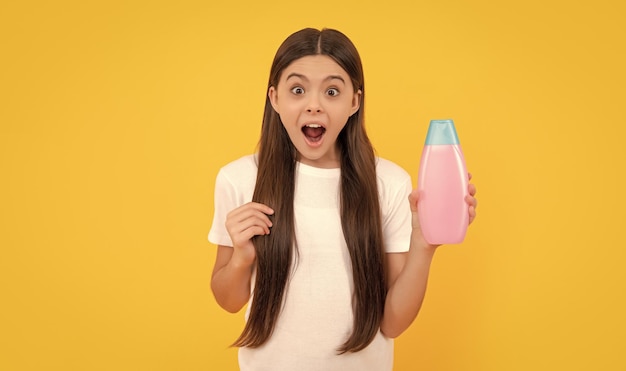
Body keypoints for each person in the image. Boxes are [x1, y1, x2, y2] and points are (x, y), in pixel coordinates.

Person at [208, 27, 477, 371]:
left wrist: (424, 244)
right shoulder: (239, 179)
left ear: (354, 102)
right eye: (298, 90)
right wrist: (242, 257)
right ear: (275, 98)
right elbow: (229, 301)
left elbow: (392, 323)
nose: (315, 105)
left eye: (332, 91)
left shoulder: (389, 183)